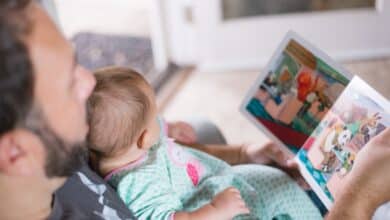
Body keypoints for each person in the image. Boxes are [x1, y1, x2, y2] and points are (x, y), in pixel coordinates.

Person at [0, 1, 389, 219]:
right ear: (14, 153)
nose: (89, 83)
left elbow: (152, 153)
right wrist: (361, 196)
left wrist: (239, 153)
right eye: (69, 81)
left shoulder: (64, 146)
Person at [86, 66, 323, 219]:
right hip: (221, 209)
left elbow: (146, 129)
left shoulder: (123, 147)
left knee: (284, 178)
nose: (161, 119)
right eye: (156, 116)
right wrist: (216, 210)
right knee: (289, 197)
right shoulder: (138, 183)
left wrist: (169, 127)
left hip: (222, 183)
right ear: (144, 138)